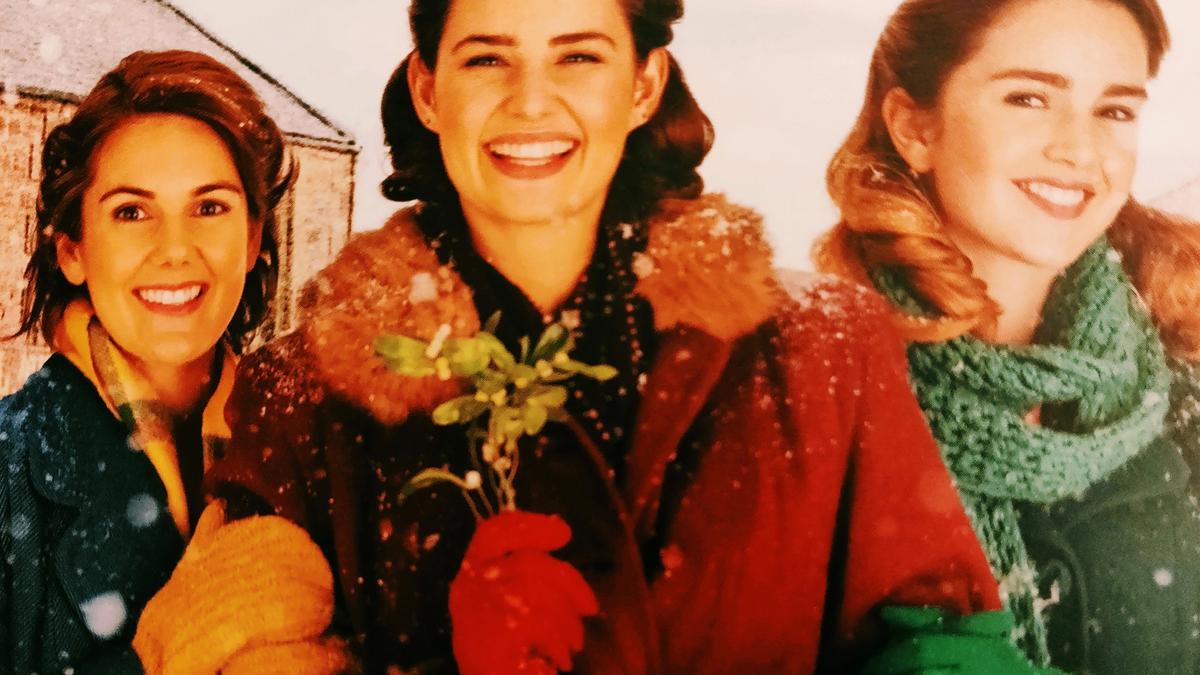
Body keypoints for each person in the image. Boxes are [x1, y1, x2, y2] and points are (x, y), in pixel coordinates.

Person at [199, 0, 1007, 672]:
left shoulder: (822, 354)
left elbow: (941, 647)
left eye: (578, 56)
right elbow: (232, 651)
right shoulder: (301, 396)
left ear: (645, 85)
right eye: (487, 58)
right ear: (427, 89)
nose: (530, 101)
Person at [815, 0, 1200, 672]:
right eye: (1028, 98)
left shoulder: (1182, 400)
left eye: (1114, 110)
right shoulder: (811, 400)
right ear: (914, 128)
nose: (1081, 150)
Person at [0, 50, 334, 673]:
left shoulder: (316, 457)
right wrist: (165, 650)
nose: (175, 250)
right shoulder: (9, 473)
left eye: (209, 207)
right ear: (72, 250)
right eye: (131, 212)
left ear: (255, 237)